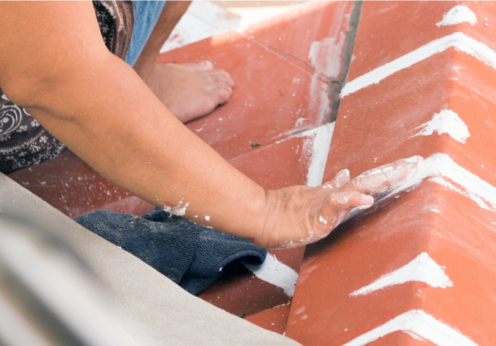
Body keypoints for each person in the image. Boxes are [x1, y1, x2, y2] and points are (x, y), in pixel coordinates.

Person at [0, 1, 420, 249]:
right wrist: (266, 211)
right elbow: (56, 78)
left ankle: (140, 79)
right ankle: (127, 86)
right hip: (24, 107)